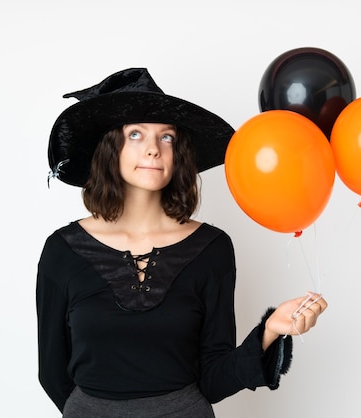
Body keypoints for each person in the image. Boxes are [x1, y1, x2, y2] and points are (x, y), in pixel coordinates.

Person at [37, 68, 328, 417]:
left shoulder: (212, 249)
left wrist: (269, 331)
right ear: (110, 148)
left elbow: (214, 380)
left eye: (167, 138)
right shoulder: (62, 251)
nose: (153, 150)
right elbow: (52, 374)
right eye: (135, 134)